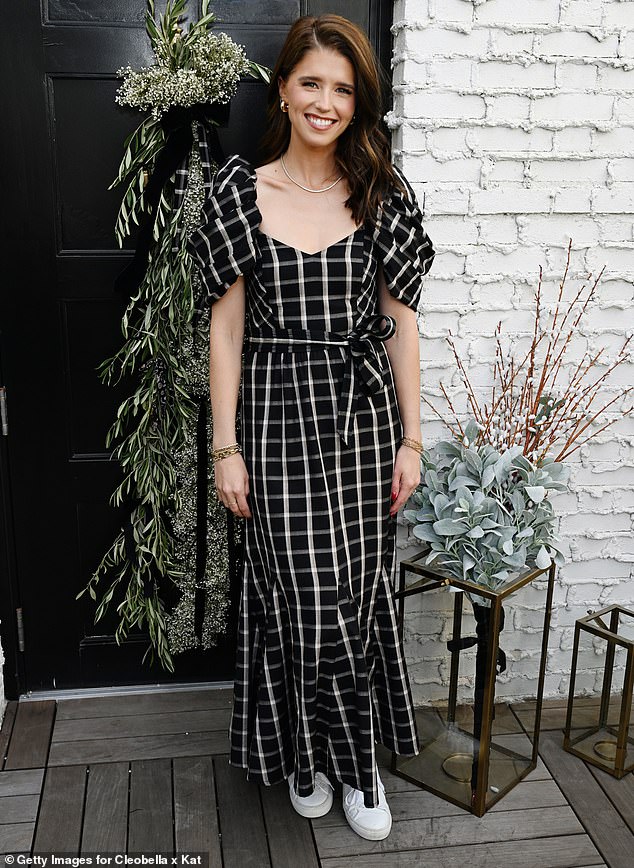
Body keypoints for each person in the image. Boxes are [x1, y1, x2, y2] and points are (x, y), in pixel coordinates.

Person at [187, 13, 435, 841]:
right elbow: (224, 331)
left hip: (363, 427)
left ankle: (357, 767)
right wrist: (224, 447)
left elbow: (401, 323)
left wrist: (412, 439)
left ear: (357, 102)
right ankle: (306, 756)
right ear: (283, 88)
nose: (325, 102)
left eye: (342, 89)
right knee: (299, 596)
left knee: (355, 599)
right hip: (275, 425)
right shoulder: (239, 192)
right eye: (311, 83)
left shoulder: (382, 197)